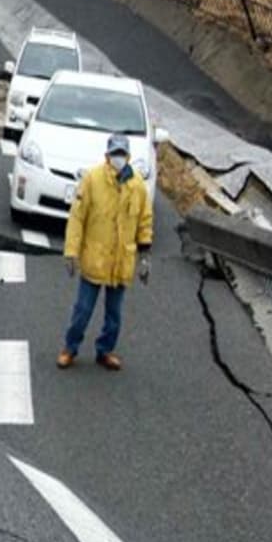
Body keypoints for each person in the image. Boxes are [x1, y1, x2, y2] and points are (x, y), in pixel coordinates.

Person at [56, 133, 154, 371]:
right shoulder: (93, 179)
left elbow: (144, 221)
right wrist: (71, 252)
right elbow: (78, 217)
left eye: (121, 154)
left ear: (128, 156)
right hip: (94, 259)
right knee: (83, 310)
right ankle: (70, 347)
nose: (117, 158)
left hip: (121, 262)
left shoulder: (138, 186)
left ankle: (105, 350)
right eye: (114, 154)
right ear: (106, 155)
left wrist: (145, 256)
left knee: (114, 315)